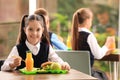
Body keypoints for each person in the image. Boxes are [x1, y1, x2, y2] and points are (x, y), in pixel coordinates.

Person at [1, 14, 70, 71]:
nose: (34, 33)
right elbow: (3, 67)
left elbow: (58, 61)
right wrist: (12, 65)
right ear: (25, 30)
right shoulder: (18, 49)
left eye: (38, 30)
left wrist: (64, 64)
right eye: (30, 29)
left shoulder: (47, 48)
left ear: (42, 30)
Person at [71, 8, 114, 79]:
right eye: (91, 20)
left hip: (76, 74)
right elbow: (99, 55)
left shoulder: (74, 35)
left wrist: (104, 51)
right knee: (105, 76)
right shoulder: (89, 35)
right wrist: (107, 45)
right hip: (88, 74)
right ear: (88, 20)